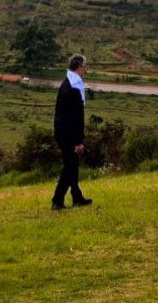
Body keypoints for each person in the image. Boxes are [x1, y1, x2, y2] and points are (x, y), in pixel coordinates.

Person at [52, 53, 92, 210]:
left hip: (63, 131)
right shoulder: (74, 87)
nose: (86, 69)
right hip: (68, 134)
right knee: (70, 167)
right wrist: (78, 141)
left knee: (72, 165)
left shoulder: (69, 82)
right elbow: (76, 118)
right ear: (79, 67)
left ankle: (77, 196)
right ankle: (57, 199)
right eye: (85, 66)